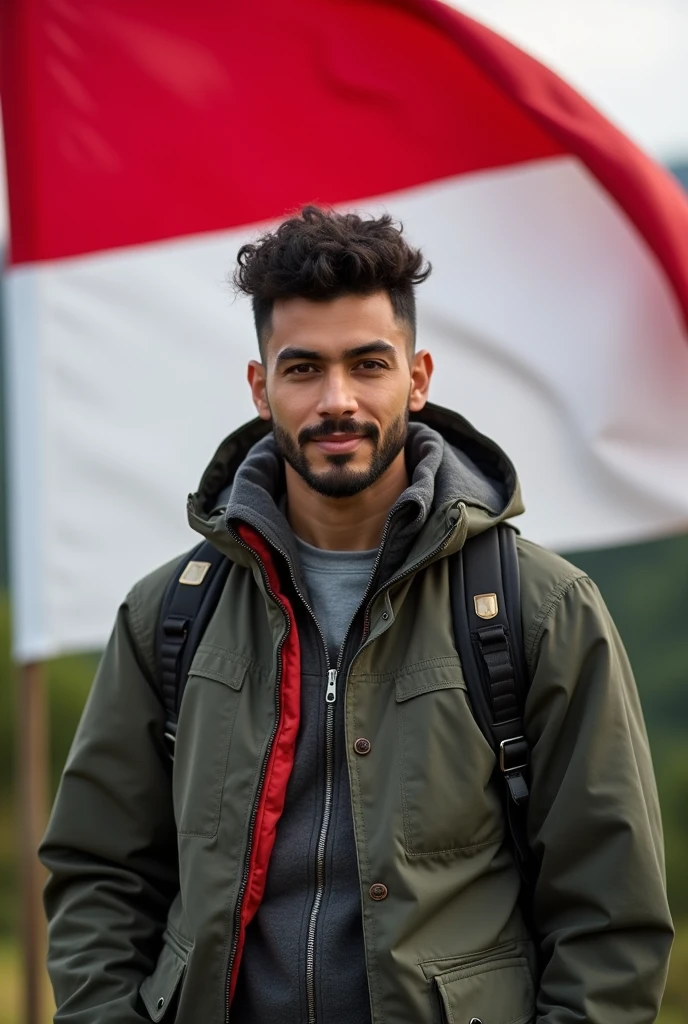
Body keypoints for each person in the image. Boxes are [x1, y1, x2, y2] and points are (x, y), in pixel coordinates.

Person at [40, 207, 673, 1024]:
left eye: (367, 364)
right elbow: (99, 877)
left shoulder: (540, 610)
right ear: (260, 386)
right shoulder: (170, 613)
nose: (337, 400)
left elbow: (609, 916)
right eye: (303, 369)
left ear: (416, 377)